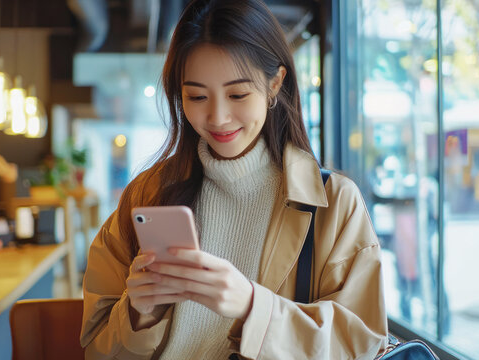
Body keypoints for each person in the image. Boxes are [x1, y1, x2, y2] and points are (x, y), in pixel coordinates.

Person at [80, 0, 388, 359]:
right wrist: (137, 314)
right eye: (196, 96)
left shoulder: (334, 202)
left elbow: (361, 346)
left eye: (238, 94)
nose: (218, 117)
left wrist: (253, 306)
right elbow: (95, 348)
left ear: (275, 84)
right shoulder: (146, 195)